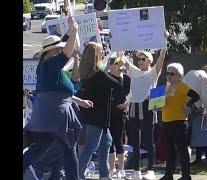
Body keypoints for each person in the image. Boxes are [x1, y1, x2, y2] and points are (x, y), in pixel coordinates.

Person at [23, 17, 93, 180]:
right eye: (57, 49)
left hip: (45, 116)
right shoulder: (52, 64)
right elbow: (66, 52)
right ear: (51, 52)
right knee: (69, 149)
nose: (60, 51)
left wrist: (79, 101)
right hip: (57, 116)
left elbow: (60, 93)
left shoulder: (45, 66)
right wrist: (74, 32)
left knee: (40, 148)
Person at [117, 31, 169, 180]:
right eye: (139, 59)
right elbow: (123, 57)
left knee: (148, 139)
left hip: (147, 106)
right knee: (135, 140)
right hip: (134, 107)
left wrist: (164, 42)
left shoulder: (153, 73)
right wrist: (118, 42)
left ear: (149, 61)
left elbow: (161, 58)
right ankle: (136, 170)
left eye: (143, 59)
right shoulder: (134, 72)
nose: (140, 61)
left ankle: (150, 170)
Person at [77, 42, 121, 180]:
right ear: (96, 55)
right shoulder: (100, 75)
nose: (103, 53)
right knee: (90, 147)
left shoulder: (87, 74)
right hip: (97, 117)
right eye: (101, 51)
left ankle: (104, 174)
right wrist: (116, 72)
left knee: (106, 141)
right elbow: (118, 84)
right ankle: (77, 175)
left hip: (92, 116)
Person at [159, 63, 199, 180]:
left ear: (179, 76)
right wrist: (157, 106)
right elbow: (162, 104)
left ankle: (186, 176)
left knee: (182, 150)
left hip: (179, 122)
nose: (169, 76)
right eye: (167, 73)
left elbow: (196, 96)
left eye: (172, 74)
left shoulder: (182, 86)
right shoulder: (166, 87)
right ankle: (168, 175)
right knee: (170, 151)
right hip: (166, 122)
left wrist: (188, 104)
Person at [183, 65, 207, 165]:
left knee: (189, 133)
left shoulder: (190, 72)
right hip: (196, 106)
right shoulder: (205, 77)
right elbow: (205, 96)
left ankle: (189, 157)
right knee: (200, 133)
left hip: (185, 105)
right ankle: (201, 156)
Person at [108, 56, 131, 179]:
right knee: (109, 141)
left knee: (119, 140)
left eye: (117, 63)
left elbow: (130, 93)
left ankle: (120, 169)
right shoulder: (107, 77)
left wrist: (127, 102)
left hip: (120, 113)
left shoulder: (125, 78)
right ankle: (111, 168)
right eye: (113, 63)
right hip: (108, 112)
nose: (115, 66)